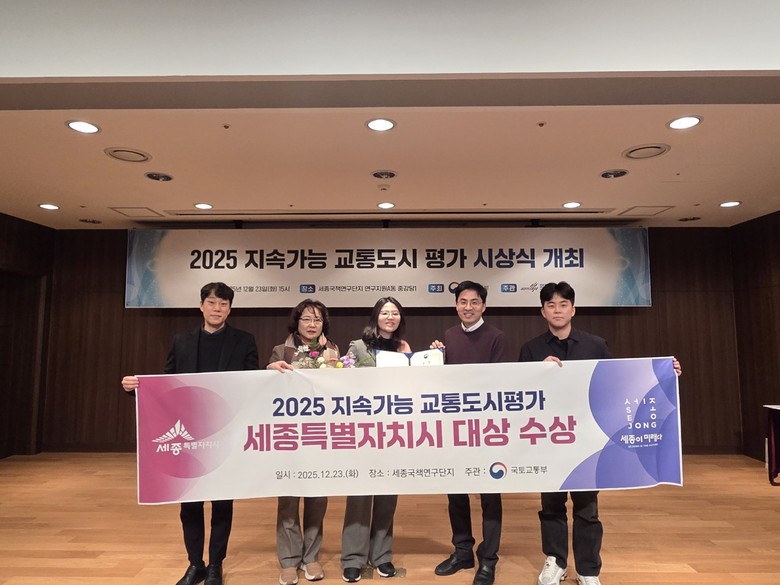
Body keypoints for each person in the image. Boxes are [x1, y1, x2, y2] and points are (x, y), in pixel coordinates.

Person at [519, 281, 682, 585]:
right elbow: (517, 392)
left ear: (573, 309)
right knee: (551, 506)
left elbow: (620, 381)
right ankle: (555, 561)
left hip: (587, 440)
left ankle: (588, 569)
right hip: (548, 439)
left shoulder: (595, 345)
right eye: (551, 305)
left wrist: (663, 373)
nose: (557, 310)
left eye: (563, 304)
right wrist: (535, 372)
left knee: (587, 508)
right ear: (543, 311)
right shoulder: (531, 349)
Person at [121, 282, 259, 585]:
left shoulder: (244, 341)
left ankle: (216, 565)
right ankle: (195, 564)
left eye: (223, 304)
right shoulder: (181, 341)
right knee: (190, 504)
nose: (217, 309)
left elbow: (253, 383)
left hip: (226, 433)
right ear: (201, 306)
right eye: (212, 302)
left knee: (222, 503)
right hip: (189, 436)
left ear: (230, 309)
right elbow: (167, 384)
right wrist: (138, 389)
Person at [430, 281, 506, 585]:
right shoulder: (449, 336)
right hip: (455, 427)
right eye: (463, 302)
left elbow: (497, 383)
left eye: (474, 302)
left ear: (483, 306)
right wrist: (435, 358)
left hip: (486, 428)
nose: (468, 307)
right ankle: (462, 551)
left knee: (490, 494)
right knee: (456, 491)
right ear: (456, 305)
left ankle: (488, 560)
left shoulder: (496, 337)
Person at [267, 299, 340, 585]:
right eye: (306, 319)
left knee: (317, 498)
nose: (312, 324)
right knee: (288, 498)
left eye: (317, 320)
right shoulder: (280, 350)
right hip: (289, 435)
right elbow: (268, 388)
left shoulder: (333, 351)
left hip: (320, 434)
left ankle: (311, 557)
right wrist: (269, 369)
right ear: (296, 322)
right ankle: (288, 560)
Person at [340, 297, 411, 583]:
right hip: (363, 432)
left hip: (393, 431)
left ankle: (382, 555)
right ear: (376, 317)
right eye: (385, 312)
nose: (390, 317)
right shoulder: (358, 347)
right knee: (359, 495)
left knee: (387, 494)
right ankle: (353, 558)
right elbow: (343, 384)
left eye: (395, 313)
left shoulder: (404, 348)